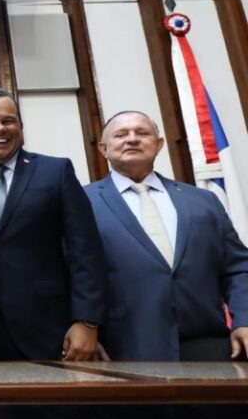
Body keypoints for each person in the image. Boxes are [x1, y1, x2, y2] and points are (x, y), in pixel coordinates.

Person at [0, 88, 107, 361]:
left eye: (8, 121)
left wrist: (87, 320)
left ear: (20, 127)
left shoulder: (55, 172)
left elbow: (85, 251)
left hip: (45, 325)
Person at [85, 110, 248, 361]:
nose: (132, 139)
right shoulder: (81, 202)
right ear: (104, 149)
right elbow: (66, 273)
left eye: (142, 133)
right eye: (121, 134)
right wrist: (83, 326)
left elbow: (238, 268)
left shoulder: (203, 201)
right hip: (124, 348)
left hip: (208, 345)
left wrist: (244, 318)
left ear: (158, 145)